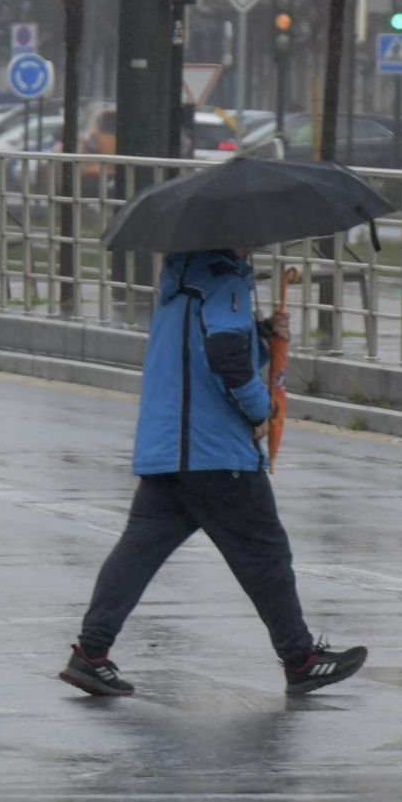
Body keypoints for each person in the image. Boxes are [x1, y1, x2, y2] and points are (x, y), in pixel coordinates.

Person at [59, 248, 368, 697]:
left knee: (138, 553)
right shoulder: (225, 279)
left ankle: (90, 653)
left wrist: (261, 335)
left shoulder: (182, 277)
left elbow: (202, 348)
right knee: (265, 553)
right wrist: (262, 408)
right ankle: (301, 659)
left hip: (169, 449)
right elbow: (224, 353)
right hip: (215, 452)